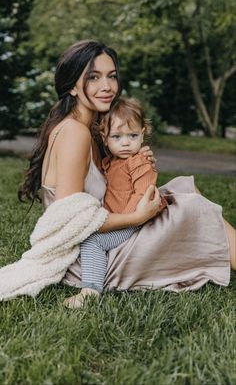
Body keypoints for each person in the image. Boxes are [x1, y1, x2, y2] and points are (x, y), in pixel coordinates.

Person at [17, 39, 234, 309]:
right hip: (89, 256)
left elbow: (112, 181)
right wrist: (138, 216)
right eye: (93, 77)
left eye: (112, 76)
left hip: (106, 229)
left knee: (182, 187)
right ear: (73, 85)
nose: (107, 86)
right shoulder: (75, 132)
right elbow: (73, 221)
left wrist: (136, 159)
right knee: (191, 207)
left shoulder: (91, 127)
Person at [73, 97, 169, 308]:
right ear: (104, 138)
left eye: (133, 135)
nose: (126, 142)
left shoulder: (141, 163)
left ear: (143, 133)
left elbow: (142, 196)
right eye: (117, 136)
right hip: (121, 217)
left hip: (134, 220)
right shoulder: (111, 162)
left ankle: (90, 290)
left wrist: (122, 219)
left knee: (93, 241)